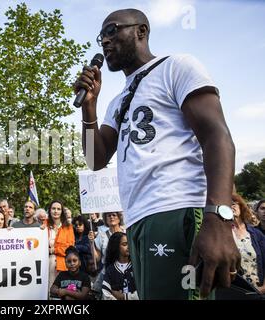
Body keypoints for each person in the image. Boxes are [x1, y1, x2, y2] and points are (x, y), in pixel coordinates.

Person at [75, 8, 240, 299]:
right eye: (101, 36)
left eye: (112, 30)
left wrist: (219, 217)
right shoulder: (117, 101)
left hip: (177, 210)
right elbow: (95, 159)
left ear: (141, 31)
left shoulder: (176, 66)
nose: (105, 41)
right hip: (138, 219)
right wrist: (89, 107)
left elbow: (217, 137)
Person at [231, 193, 265, 294]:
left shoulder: (257, 234)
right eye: (226, 205)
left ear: (241, 206)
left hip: (259, 290)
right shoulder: (224, 235)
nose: (230, 207)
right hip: (238, 291)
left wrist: (263, 287)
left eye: (233, 204)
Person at [102, 232, 138, 300]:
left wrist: (124, 297)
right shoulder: (110, 269)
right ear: (116, 246)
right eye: (124, 244)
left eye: (129, 243)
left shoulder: (137, 267)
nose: (129, 246)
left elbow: (143, 291)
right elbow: (106, 293)